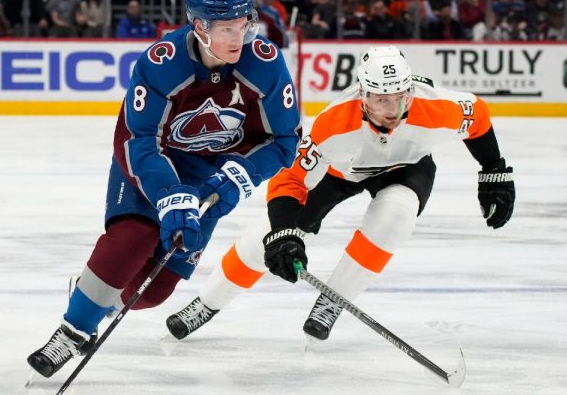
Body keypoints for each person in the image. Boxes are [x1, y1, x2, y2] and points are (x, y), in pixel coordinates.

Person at [27, 0, 301, 378]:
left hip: (212, 175)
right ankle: (73, 330)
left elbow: (285, 140)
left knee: (150, 292)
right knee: (134, 237)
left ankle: (94, 295)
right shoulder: (161, 62)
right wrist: (169, 194)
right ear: (199, 27)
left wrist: (239, 175)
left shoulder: (264, 63)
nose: (238, 37)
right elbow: (140, 140)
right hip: (152, 163)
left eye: (244, 25)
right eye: (226, 28)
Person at [166, 45, 515, 341]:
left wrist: (494, 171)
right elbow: (290, 179)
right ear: (362, 95)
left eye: (400, 98)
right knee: (264, 236)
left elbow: (479, 117)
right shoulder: (333, 125)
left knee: (396, 216)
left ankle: (334, 300)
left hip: (408, 168)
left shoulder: (437, 108)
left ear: (411, 90)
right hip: (338, 171)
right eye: (380, 100)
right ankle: (207, 303)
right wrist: (286, 233)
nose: (392, 111)